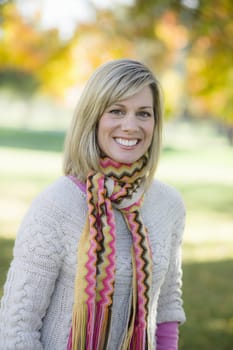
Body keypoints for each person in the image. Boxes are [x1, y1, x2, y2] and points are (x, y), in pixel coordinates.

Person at [0, 59, 186, 350]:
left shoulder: (168, 205)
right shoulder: (55, 206)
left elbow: (167, 306)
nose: (131, 125)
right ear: (93, 117)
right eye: (116, 111)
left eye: (144, 114)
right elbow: (17, 325)